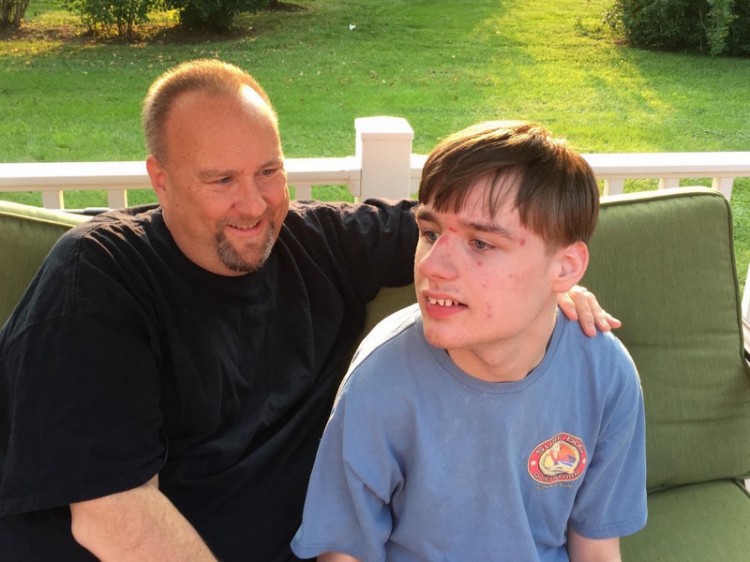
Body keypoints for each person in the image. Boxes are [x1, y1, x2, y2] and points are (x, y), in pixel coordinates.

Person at [0, 60, 616, 562]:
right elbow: (113, 516)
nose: (254, 204)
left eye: (269, 171)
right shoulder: (97, 278)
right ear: (159, 181)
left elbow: (467, 229)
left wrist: (543, 287)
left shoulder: (319, 243)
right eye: (221, 181)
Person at [291, 121, 646, 561]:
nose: (433, 265)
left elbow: (595, 543)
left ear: (565, 268)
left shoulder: (604, 373)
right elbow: (344, 550)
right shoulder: (381, 378)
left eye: (480, 243)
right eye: (430, 233)